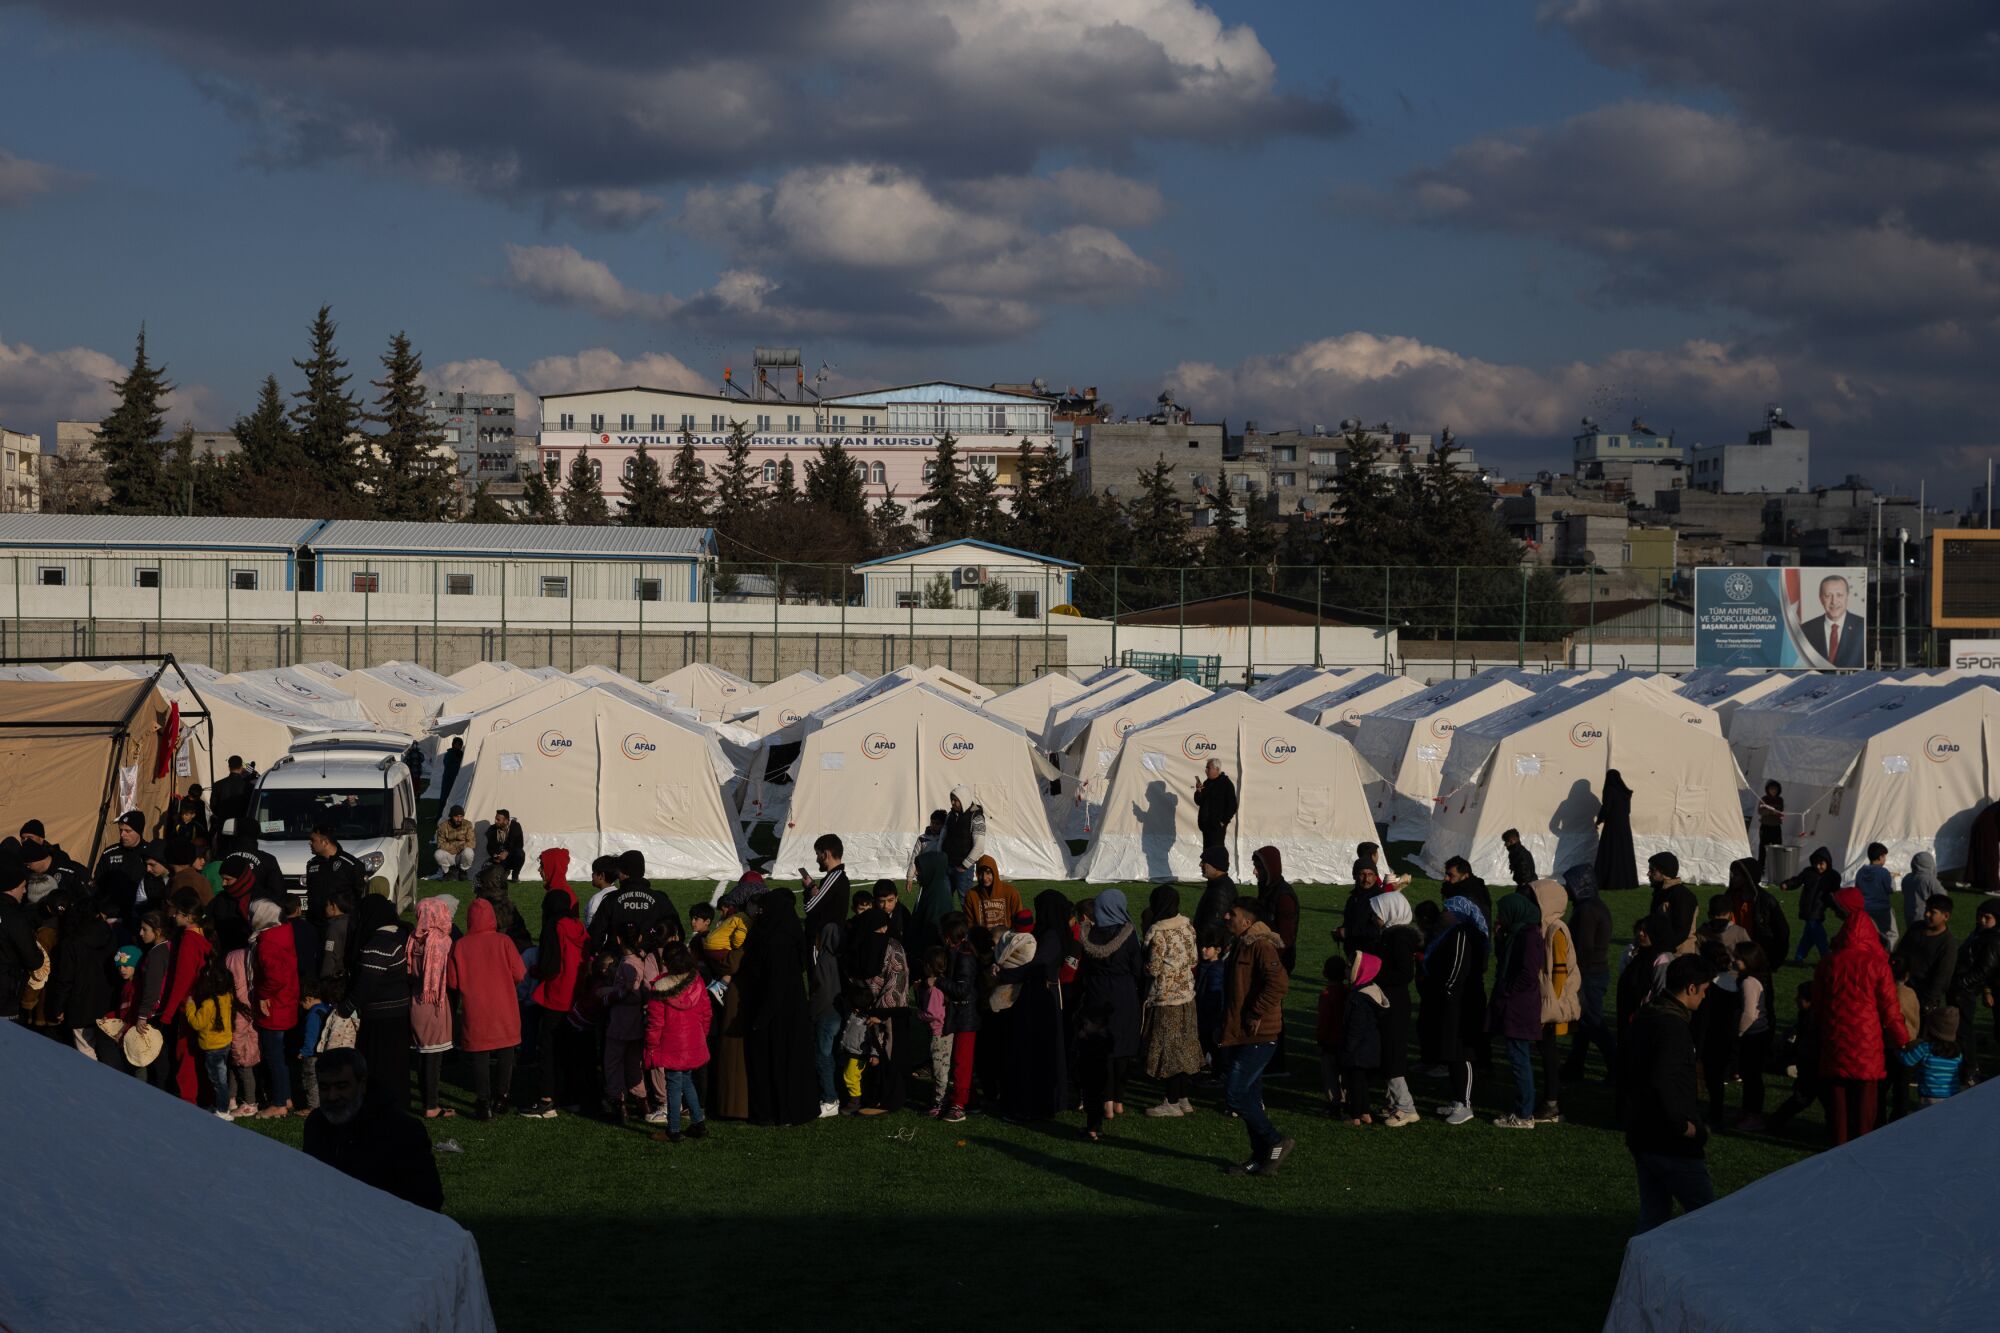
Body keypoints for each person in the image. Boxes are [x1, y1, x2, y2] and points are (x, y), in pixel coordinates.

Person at [1624, 954, 1716, 1233]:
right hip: (1670, 1140)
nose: (1704, 997)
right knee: (1706, 1215)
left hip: (1642, 1132)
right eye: (1704, 990)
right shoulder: (1673, 1027)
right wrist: (1684, 1127)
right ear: (1690, 988)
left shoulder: (1647, 1014)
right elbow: (1662, 1080)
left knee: (1652, 1218)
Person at [1813, 886, 1910, 1145]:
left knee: (1839, 1099)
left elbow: (1819, 1005)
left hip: (1836, 1036)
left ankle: (1838, 1142)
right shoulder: (1878, 963)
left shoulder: (1830, 962)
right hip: (1867, 1039)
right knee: (1866, 1102)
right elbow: (1889, 1008)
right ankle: (1863, 1143)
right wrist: (1902, 1038)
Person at [303, 1049, 443, 1212]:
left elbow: (428, 1200)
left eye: (342, 1086)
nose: (332, 1096)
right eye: (325, 1087)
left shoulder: (402, 1130)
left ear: (362, 1084)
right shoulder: (316, 1124)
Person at [1219, 898, 1292, 1175]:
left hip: (1259, 1034)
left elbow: (1279, 983)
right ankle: (1260, 1156)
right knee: (1248, 1094)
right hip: (1243, 1032)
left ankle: (1275, 1141)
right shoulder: (1241, 943)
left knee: (1235, 1095)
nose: (1226, 917)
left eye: (1232, 914)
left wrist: (1255, 1012)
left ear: (1247, 922)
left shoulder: (1261, 945)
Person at [737, 888, 820, 1126]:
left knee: (771, 1063)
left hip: (771, 1011)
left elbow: (772, 981)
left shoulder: (773, 940)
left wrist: (762, 1016)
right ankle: (791, 1109)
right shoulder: (790, 933)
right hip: (791, 1011)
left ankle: (775, 1111)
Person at [1073, 889, 1145, 1140]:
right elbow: (1138, 968)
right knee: (1121, 1047)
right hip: (1123, 996)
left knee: (1098, 1054)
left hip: (1096, 996)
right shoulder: (1128, 935)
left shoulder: (1089, 935)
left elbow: (1082, 972)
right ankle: (1118, 1100)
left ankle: (1103, 1104)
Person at [998, 890, 1073, 1122]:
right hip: (1042, 994)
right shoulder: (1053, 932)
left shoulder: (1050, 936)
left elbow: (1037, 964)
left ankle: (1035, 1104)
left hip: (1041, 997)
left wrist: (1006, 973)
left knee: (1036, 1051)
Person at [521, 883, 587, 1120]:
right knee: (572, 1048)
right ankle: (573, 1097)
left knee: (547, 1048)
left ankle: (546, 1100)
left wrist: (536, 972)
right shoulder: (577, 926)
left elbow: (550, 966)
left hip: (556, 994)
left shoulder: (553, 927)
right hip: (576, 994)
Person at [1424, 894, 1487, 1125]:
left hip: (1460, 1002)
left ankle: (1465, 1103)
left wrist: (1448, 991)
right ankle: (1458, 1099)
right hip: (1459, 999)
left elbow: (1457, 969)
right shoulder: (1464, 933)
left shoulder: (1462, 934)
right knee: (1452, 1049)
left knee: (1461, 1052)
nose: (1444, 913)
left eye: (1448, 909)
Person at [1140, 885, 1203, 1117]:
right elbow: (1194, 958)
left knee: (1168, 1050)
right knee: (1185, 1046)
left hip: (1166, 998)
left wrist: (1142, 966)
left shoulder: (1158, 932)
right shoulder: (1187, 925)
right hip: (1187, 993)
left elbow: (1154, 968)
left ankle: (1172, 1101)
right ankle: (1183, 1097)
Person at [347, 895, 413, 1112]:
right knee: (397, 1064)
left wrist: (346, 1007)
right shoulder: (401, 936)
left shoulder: (377, 945)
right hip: (400, 1012)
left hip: (379, 1017)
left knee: (378, 1065)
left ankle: (380, 1104)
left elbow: (366, 984)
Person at [1487, 889, 1545, 1129]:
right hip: (1516, 1003)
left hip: (1518, 1005)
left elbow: (1528, 974)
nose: (1500, 916)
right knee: (1518, 1056)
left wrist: (1508, 990)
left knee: (1519, 1057)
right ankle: (1523, 1109)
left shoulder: (1528, 937)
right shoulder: (1518, 933)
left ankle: (1524, 1113)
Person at [643, 941, 712, 1141]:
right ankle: (698, 1123)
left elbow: (655, 1023)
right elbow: (706, 1013)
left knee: (673, 1086)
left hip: (672, 1044)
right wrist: (701, 1035)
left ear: (667, 963)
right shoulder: (697, 981)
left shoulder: (660, 988)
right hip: (693, 1040)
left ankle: (673, 1130)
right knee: (686, 1080)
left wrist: (651, 1045)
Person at [1559, 865, 1616, 1083]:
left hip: (1588, 973)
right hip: (1594, 971)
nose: (1567, 889)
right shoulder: (1592, 906)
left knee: (1593, 1023)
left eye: (1570, 885)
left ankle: (1616, 1066)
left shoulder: (1586, 911)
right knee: (1584, 1024)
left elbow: (1583, 948)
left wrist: (1571, 974)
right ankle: (1575, 1067)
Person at [1370, 890, 1423, 1127]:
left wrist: (1373, 974)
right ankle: (1394, 1102)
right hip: (1391, 999)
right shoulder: (1392, 935)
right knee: (1388, 1050)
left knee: (1392, 1053)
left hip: (1394, 1001)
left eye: (1377, 913)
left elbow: (1404, 973)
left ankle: (1405, 1106)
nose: (1374, 917)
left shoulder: (1397, 937)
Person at [406, 896, 457, 1119]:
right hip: (434, 1003)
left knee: (422, 1056)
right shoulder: (442, 941)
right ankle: (431, 1105)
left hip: (416, 1001)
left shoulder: (413, 939)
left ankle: (428, 1101)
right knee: (434, 1058)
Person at [1251, 845, 1298, 1074]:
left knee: (1272, 1011)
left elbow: (1286, 938)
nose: (1255, 872)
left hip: (1277, 961)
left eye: (1259, 867)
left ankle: (1275, 1062)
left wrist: (1270, 958)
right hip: (1269, 958)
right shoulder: (1268, 890)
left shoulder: (1283, 896)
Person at [1948, 898, 2000, 1085]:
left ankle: (1970, 1069)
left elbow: (1984, 970)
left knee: (1965, 1030)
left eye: (1987, 917)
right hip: (1972, 986)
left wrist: (1961, 982)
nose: (1982, 921)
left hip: (1967, 988)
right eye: (1980, 917)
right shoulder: (1982, 933)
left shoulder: (1994, 939)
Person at [938, 913, 981, 1123]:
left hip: (965, 1015)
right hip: (963, 1014)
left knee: (961, 1061)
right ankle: (965, 1099)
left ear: (948, 938)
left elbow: (962, 990)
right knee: (960, 1060)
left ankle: (959, 1104)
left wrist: (938, 982)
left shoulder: (963, 956)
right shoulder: (963, 952)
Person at [184, 951, 236, 1117]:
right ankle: (221, 1106)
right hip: (225, 1044)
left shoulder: (208, 1004)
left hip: (212, 1048)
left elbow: (197, 1023)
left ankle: (223, 1110)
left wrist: (190, 1006)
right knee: (221, 1078)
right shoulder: (228, 997)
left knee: (218, 1081)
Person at [1730, 942, 1774, 1131]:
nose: (1734, 961)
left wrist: (1738, 1032)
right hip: (1758, 1033)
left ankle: (1753, 1114)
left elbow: (1749, 1013)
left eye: (1738, 958)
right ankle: (1749, 1111)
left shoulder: (1748, 982)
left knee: (1752, 1077)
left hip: (1753, 1035)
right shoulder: (1757, 978)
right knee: (1750, 1076)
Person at [1339, 951, 1385, 1124]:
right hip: (1369, 1047)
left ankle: (1355, 1115)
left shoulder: (1358, 997)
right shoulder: (1370, 991)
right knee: (1362, 1082)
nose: (1346, 969)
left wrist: (1348, 1048)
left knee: (1355, 1083)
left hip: (1358, 1050)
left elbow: (1355, 1027)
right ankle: (1365, 1112)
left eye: (1350, 966)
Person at [1895, 893, 1956, 1017]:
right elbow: (1900, 952)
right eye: (1926, 910)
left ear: (1946, 916)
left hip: (1924, 996)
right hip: (1902, 987)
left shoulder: (1948, 944)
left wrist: (1928, 1003)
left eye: (1932, 912)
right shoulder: (1916, 928)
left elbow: (1942, 977)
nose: (1927, 914)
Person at [1898, 1007, 1965, 1107]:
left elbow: (1907, 1061)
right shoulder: (1957, 1053)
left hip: (1928, 1097)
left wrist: (1898, 1049)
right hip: (1951, 1095)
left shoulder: (1925, 1048)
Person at [91, 813, 150, 925]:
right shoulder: (110, 853)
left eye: (128, 831)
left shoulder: (149, 853)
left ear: (139, 831)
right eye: (121, 830)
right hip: (111, 916)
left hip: (139, 916)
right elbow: (98, 883)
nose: (122, 834)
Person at [1783, 845, 1840, 962]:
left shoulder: (1832, 876)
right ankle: (1826, 956)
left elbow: (1835, 893)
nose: (1818, 867)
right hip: (1807, 907)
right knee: (1819, 935)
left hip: (1819, 908)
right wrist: (1787, 884)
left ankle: (1799, 957)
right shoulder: (1808, 872)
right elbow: (1797, 880)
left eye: (1821, 864)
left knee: (1809, 935)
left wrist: (1837, 907)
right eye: (1816, 864)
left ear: (1827, 862)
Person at [1799, 572, 1864, 667]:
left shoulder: (1862, 627)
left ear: (1847, 596)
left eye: (1839, 595)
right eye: (1828, 596)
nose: (1834, 601)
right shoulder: (1806, 629)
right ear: (1821, 599)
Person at [304, 827, 365, 925]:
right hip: (316, 924)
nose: (309, 843)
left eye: (313, 840)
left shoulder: (351, 864)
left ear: (325, 842)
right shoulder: (312, 864)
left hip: (342, 925)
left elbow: (359, 895)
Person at [1593, 770, 1638, 893]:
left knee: (1610, 852)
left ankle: (1609, 881)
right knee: (1623, 853)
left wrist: (1598, 821)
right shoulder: (1626, 793)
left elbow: (1606, 808)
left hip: (1612, 827)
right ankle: (1626, 881)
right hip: (1624, 827)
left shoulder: (1609, 790)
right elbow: (1627, 811)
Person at [908, 843, 955, 960]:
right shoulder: (931, 888)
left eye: (920, 869)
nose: (917, 873)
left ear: (931, 869)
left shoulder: (937, 897)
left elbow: (931, 932)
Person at [801, 834, 851, 938]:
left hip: (826, 941)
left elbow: (809, 908)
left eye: (817, 854)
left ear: (825, 854)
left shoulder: (834, 877)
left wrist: (808, 889)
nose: (817, 859)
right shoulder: (836, 876)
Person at [1644, 853, 1696, 953]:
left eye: (1652, 870)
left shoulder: (1682, 895)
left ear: (1663, 872)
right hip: (1663, 951)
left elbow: (1681, 932)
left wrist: (1658, 948)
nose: (1648, 874)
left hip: (1678, 956)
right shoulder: (1661, 892)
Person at [1315, 956, 1347, 1115]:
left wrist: (1320, 1040)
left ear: (1324, 973)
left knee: (1330, 1075)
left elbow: (1324, 1020)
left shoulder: (1327, 994)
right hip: (1345, 1041)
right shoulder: (1347, 992)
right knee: (1343, 1073)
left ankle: (1335, 1104)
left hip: (1329, 1041)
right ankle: (1345, 1099)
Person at [962, 854, 1023, 939]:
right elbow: (969, 923)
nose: (984, 877)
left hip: (1007, 940)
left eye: (988, 872)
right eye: (981, 873)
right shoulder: (971, 895)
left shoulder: (1011, 893)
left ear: (994, 872)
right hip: (983, 941)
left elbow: (1019, 920)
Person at [941, 786, 986, 900]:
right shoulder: (950, 815)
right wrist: (939, 856)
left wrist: (965, 865)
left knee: (966, 901)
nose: (952, 802)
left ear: (963, 799)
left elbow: (979, 846)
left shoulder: (977, 817)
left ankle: (971, 919)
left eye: (956, 800)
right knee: (944, 900)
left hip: (963, 868)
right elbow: (942, 837)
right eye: (952, 799)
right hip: (947, 865)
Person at [1193, 758, 1237, 860]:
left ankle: (1218, 874)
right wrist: (1198, 791)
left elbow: (1232, 806)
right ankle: (1209, 874)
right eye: (1206, 768)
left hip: (1217, 826)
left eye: (1208, 768)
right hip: (1206, 825)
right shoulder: (1206, 783)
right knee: (1207, 852)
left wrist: (1223, 821)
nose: (1206, 770)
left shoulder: (1226, 783)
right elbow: (1199, 802)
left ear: (1216, 769)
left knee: (1216, 852)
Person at [1191, 846, 1238, 941]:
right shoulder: (1217, 884)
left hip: (1209, 946)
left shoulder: (1220, 890)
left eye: (1204, 861)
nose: (1200, 864)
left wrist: (1201, 944)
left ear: (1216, 865)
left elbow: (1213, 926)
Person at [1854, 842, 1896, 946]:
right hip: (1882, 909)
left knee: (1872, 934)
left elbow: (1857, 889)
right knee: (1891, 934)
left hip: (1866, 908)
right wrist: (1892, 878)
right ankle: (1886, 956)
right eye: (1884, 856)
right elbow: (1891, 889)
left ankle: (1873, 956)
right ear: (1881, 856)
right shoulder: (1883, 872)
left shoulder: (1861, 872)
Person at [209, 756, 253, 848]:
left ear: (229, 767)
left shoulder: (218, 785)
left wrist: (222, 814)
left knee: (223, 853)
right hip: (241, 825)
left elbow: (213, 805)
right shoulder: (248, 786)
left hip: (223, 824)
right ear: (241, 767)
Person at [432, 806, 476, 881]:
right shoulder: (443, 826)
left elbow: (472, 843)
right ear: (451, 816)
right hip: (449, 854)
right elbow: (440, 845)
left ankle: (463, 871)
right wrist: (458, 846)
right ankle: (447, 872)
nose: (459, 819)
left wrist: (458, 847)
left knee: (469, 852)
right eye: (456, 816)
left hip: (460, 855)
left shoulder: (467, 825)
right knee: (438, 854)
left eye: (461, 816)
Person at [485, 808, 525, 882]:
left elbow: (519, 844)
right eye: (495, 819)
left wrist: (507, 852)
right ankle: (504, 871)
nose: (495, 821)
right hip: (500, 858)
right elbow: (489, 846)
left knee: (520, 854)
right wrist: (494, 855)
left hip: (512, 855)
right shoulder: (492, 829)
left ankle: (515, 875)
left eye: (498, 820)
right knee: (492, 876)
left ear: (506, 821)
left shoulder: (515, 826)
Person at [1755, 781, 1785, 859]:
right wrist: (1770, 812)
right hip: (1765, 826)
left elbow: (1780, 810)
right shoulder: (1764, 799)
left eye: (1775, 789)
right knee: (1763, 848)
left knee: (1777, 847)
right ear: (1768, 790)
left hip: (1776, 826)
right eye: (1771, 789)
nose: (1773, 791)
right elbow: (1760, 811)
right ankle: (1761, 866)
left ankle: (1777, 865)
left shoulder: (1780, 800)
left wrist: (1777, 813)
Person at [436, 737, 465, 810]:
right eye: (456, 744)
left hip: (457, 779)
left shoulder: (461, 754)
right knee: (444, 797)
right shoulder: (449, 754)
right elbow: (447, 765)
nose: (458, 746)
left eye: (459, 744)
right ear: (453, 744)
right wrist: (458, 766)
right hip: (448, 779)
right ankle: (440, 814)